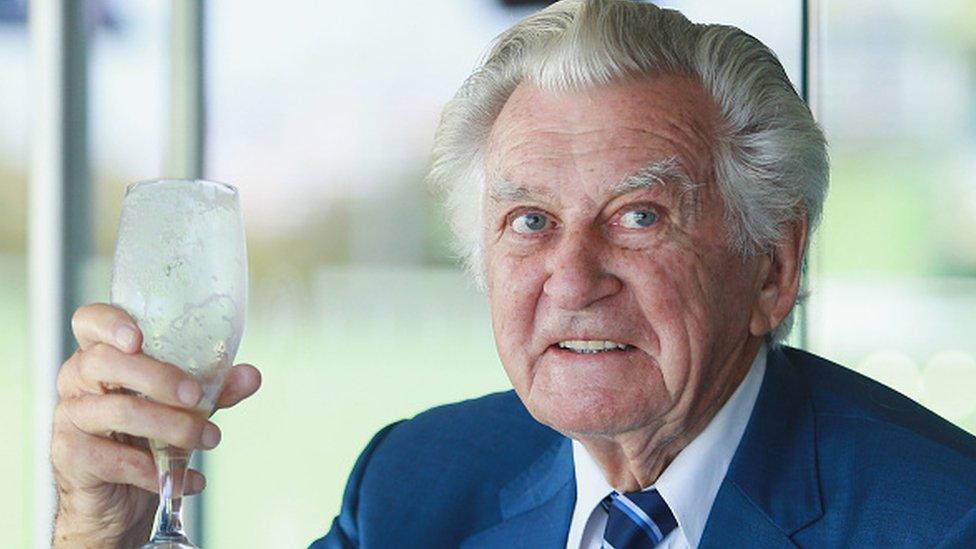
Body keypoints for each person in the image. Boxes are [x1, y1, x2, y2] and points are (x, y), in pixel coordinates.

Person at [52, 1, 976, 548]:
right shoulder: (413, 487)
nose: (572, 277)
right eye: (530, 221)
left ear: (773, 267)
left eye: (639, 217)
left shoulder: (942, 520)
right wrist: (102, 532)